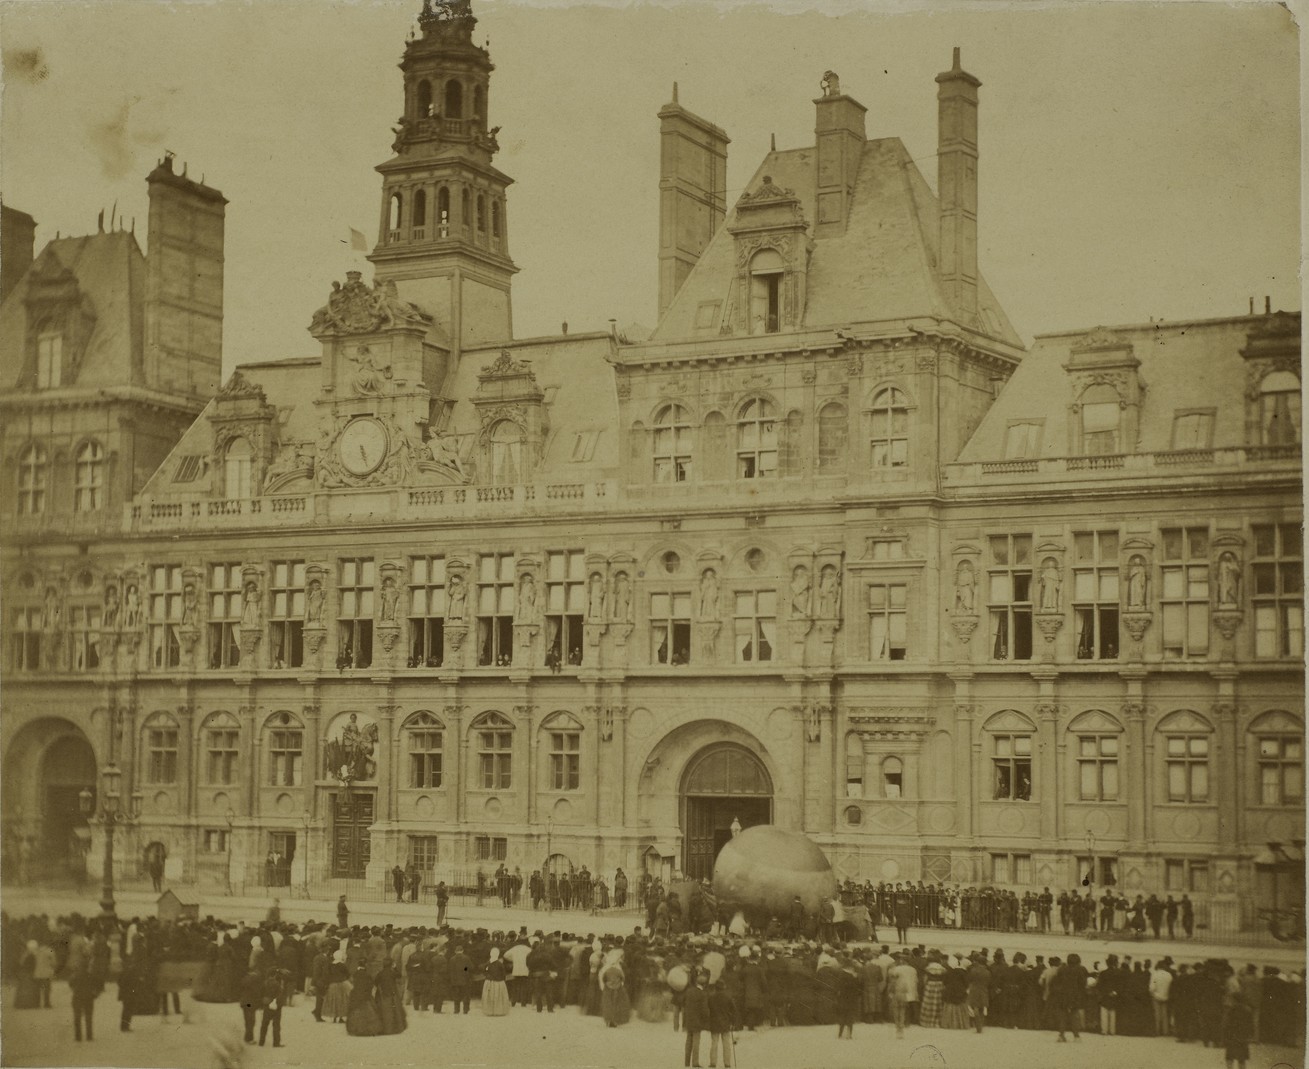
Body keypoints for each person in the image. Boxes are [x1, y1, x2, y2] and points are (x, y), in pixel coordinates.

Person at [1051, 952, 1088, 1041]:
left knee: (1062, 1016)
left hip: (1063, 996)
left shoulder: (1062, 969)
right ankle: (1076, 1036)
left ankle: (1061, 1035)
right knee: (1074, 1015)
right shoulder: (1079, 970)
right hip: (1075, 996)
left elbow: (1055, 982)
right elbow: (1083, 984)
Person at [683, 968, 711, 1068]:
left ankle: (686, 1062)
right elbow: (704, 1010)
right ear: (704, 984)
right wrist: (707, 1018)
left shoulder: (689, 991)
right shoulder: (703, 994)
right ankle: (695, 1062)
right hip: (697, 1021)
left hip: (689, 1019)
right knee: (696, 1042)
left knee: (688, 1041)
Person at [601, 951, 632, 1027]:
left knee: (608, 1004)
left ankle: (608, 1019)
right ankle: (617, 1019)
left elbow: (603, 978)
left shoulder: (606, 970)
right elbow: (623, 978)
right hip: (618, 988)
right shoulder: (618, 970)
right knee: (618, 1003)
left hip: (608, 988)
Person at [1223, 993, 1254, 1069]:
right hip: (1243, 1038)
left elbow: (1227, 1024)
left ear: (1234, 1000)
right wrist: (1250, 1035)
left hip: (1232, 1037)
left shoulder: (1231, 1010)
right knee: (1242, 1059)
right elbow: (1251, 1025)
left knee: (1229, 1058)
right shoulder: (1248, 1011)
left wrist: (1225, 1036)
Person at [259, 966, 288, 1048]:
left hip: (266, 1005)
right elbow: (280, 996)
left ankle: (261, 1041)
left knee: (264, 1024)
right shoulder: (277, 984)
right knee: (276, 1025)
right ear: (275, 975)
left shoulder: (265, 983)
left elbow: (261, 994)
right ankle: (276, 1042)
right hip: (276, 1007)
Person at [482, 947, 510, 1016]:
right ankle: (498, 1011)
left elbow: (484, 971)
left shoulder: (488, 963)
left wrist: (487, 976)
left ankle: (489, 1011)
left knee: (489, 996)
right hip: (499, 982)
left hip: (489, 982)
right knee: (498, 996)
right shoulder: (500, 964)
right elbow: (503, 974)